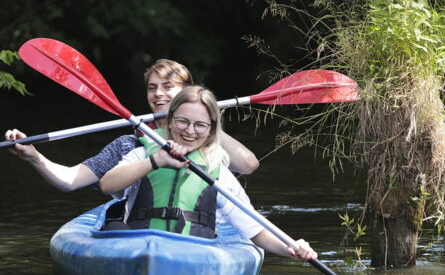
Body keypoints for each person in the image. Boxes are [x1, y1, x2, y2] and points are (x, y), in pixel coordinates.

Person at [99, 86, 316, 260]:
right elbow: (107, 185)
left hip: (194, 255)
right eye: (182, 121)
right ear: (171, 121)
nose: (190, 131)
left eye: (200, 125)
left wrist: (292, 248)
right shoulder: (144, 154)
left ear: (212, 130)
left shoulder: (217, 172)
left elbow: (256, 232)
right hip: (139, 251)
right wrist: (156, 161)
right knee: (113, 226)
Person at [4, 59, 259, 192]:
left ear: (186, 91)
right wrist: (35, 157)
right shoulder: (130, 145)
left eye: (168, 87)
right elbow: (71, 180)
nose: (159, 94)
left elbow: (248, 165)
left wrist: (205, 118)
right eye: (152, 88)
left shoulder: (206, 143)